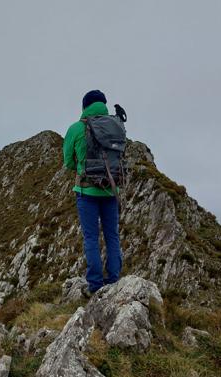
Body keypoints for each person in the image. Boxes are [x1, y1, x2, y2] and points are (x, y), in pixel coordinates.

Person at [62, 89, 123, 297]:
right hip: (111, 189)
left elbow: (68, 162)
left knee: (91, 238)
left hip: (86, 191)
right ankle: (114, 279)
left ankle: (95, 284)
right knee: (112, 235)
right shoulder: (117, 126)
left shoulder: (76, 128)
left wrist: (82, 167)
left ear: (84, 107)